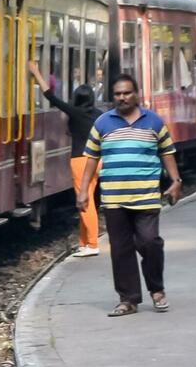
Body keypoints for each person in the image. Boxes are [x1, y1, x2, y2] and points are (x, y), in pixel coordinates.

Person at [77, 71, 182, 316]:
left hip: (145, 196)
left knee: (150, 242)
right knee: (121, 249)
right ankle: (128, 299)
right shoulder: (102, 123)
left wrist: (175, 180)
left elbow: (167, 152)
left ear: (136, 95)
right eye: (117, 94)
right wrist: (83, 191)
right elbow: (91, 159)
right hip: (114, 199)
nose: (122, 98)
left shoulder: (154, 121)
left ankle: (157, 289)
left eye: (127, 93)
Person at [28, 57, 100, 254]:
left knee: (85, 200)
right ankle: (84, 242)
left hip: (80, 160)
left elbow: (51, 96)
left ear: (77, 98)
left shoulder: (75, 113)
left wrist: (35, 72)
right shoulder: (99, 115)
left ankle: (92, 244)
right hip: (97, 160)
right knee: (87, 198)